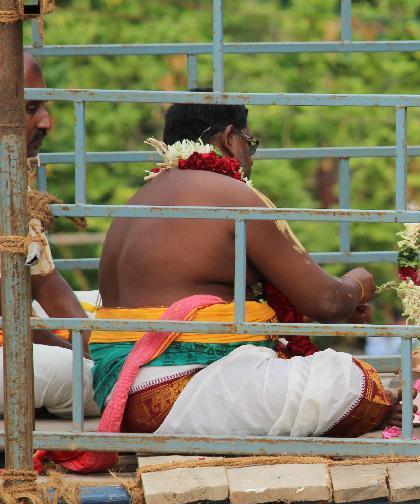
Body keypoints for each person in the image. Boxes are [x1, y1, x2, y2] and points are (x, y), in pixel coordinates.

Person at [90, 99, 391, 438]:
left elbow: (200, 299)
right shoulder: (232, 195)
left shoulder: (136, 202)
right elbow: (325, 301)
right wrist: (357, 285)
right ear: (230, 139)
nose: (250, 159)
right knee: (354, 381)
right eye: (251, 145)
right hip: (177, 389)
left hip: (116, 393)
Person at [0, 53, 98, 419]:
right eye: (30, 108)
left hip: (15, 332)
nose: (47, 122)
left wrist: (89, 345)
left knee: (102, 307)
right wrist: (74, 353)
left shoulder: (9, 173)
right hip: (9, 339)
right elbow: (9, 313)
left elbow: (43, 280)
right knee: (88, 378)